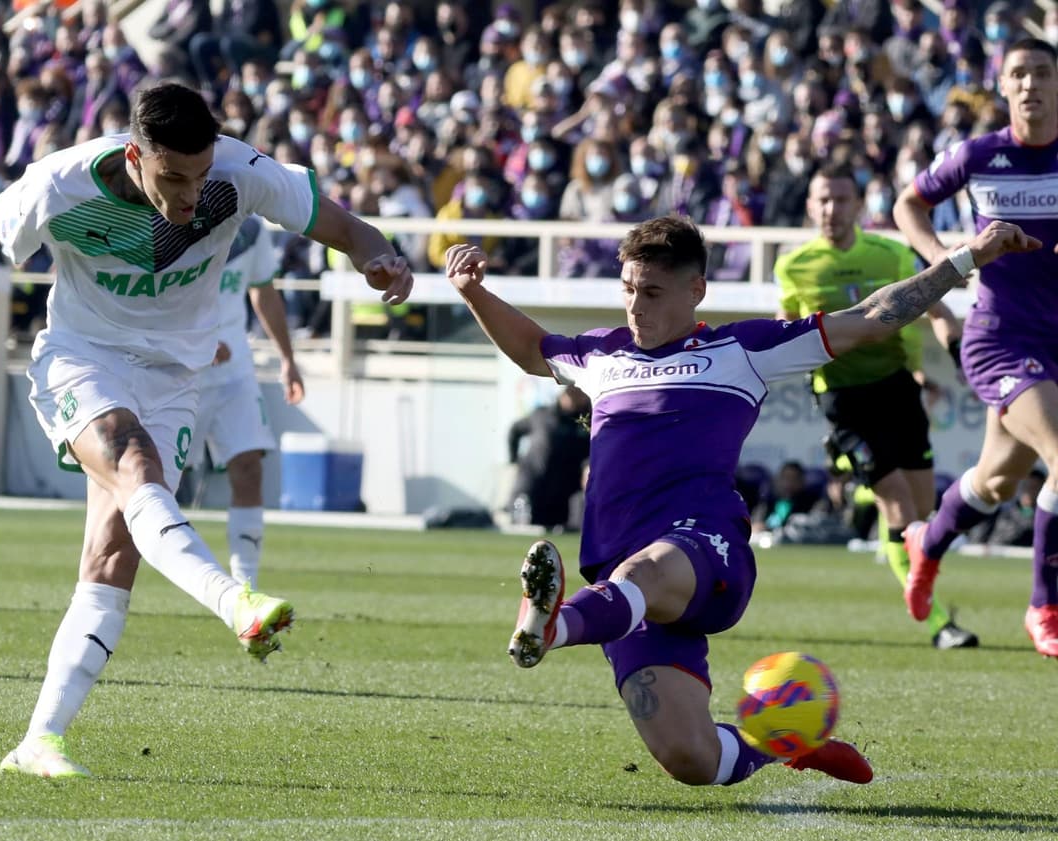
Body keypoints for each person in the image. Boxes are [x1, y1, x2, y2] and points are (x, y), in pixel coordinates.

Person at [0, 81, 412, 779]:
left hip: (175, 377)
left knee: (112, 556)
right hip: (82, 357)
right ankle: (234, 599)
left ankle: (39, 740)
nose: (191, 194)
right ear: (135, 155)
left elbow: (343, 225)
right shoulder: (64, 182)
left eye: (199, 175)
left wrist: (380, 257)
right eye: (173, 177)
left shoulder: (240, 172)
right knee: (135, 463)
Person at [444, 214, 1036, 790]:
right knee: (692, 759)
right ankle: (784, 742)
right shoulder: (603, 355)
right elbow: (531, 349)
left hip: (703, 546)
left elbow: (872, 317)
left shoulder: (743, 349)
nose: (635, 305)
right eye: (627, 289)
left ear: (696, 289)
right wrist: (474, 292)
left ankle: (553, 626)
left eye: (651, 291)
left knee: (642, 572)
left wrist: (966, 259)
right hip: (620, 591)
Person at [894, 38, 1058, 658]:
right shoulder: (979, 155)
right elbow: (908, 203)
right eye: (1019, 73)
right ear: (1003, 85)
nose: (1030, 84)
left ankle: (927, 541)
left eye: (1042, 72)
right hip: (1003, 338)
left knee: (994, 481)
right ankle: (1046, 605)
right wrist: (945, 261)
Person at [775, 162, 978, 650]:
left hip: (897, 389)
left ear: (858, 206)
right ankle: (935, 625)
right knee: (900, 507)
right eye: (822, 199)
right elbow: (785, 327)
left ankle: (900, 552)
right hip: (843, 401)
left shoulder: (889, 253)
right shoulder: (794, 264)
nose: (831, 209)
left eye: (841, 199)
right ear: (809, 206)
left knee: (923, 520)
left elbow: (937, 308)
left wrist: (958, 352)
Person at [192, 215, 305, 589]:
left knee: (248, 467)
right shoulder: (169, 216)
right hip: (176, 374)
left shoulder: (251, 229)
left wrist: (287, 358)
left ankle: (246, 588)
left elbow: (263, 291)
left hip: (234, 372)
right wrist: (194, 343)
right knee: (151, 482)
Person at [506, 385, 590, 531]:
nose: (577, 399)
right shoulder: (541, 415)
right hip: (533, 484)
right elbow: (514, 430)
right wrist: (514, 460)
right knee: (524, 528)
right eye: (572, 395)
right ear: (563, 396)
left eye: (580, 395)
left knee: (567, 530)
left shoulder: (588, 422)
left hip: (566, 489)